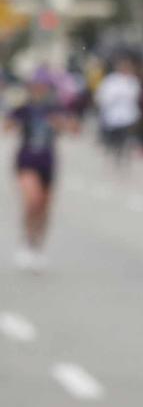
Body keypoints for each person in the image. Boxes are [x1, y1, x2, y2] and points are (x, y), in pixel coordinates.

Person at [9, 70, 76, 271]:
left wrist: (62, 124)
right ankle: (27, 242)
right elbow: (7, 125)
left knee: (44, 208)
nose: (39, 90)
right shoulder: (24, 108)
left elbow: (73, 128)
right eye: (36, 86)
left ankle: (38, 246)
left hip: (48, 162)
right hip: (26, 160)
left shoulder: (55, 108)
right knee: (32, 201)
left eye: (43, 86)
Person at [93, 54, 143, 171]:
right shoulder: (111, 80)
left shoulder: (132, 81)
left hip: (127, 116)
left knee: (125, 138)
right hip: (113, 115)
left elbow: (135, 96)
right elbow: (103, 96)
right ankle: (112, 155)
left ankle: (122, 157)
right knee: (113, 138)